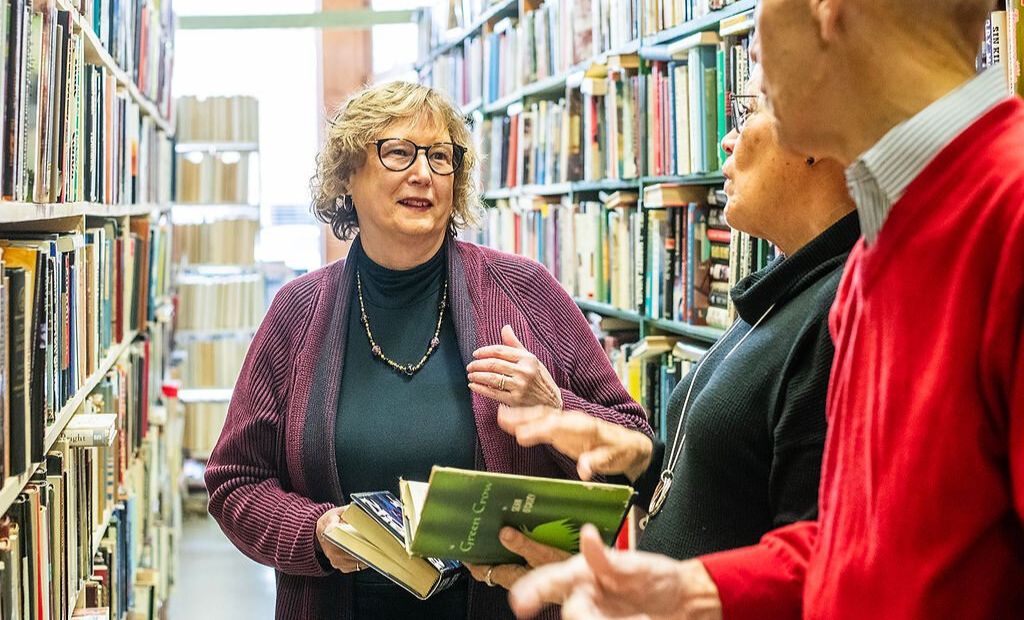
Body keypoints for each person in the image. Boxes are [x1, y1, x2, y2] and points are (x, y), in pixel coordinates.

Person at [508, 0, 1024, 618]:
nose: (752, 37)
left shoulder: (1006, 216)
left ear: (828, 10)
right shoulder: (883, 242)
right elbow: (866, 542)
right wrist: (699, 590)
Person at [204, 80, 651, 620]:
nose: (423, 173)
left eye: (441, 157)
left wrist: (556, 409)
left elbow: (634, 448)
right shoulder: (298, 312)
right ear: (348, 173)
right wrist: (316, 533)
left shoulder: (525, 292)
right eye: (397, 152)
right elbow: (235, 483)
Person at [472, 66, 860, 589]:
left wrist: (641, 594)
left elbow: (813, 570)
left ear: (814, 132)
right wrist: (641, 459)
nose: (725, 139)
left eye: (746, 113)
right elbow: (734, 488)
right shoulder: (784, 288)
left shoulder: (842, 311)